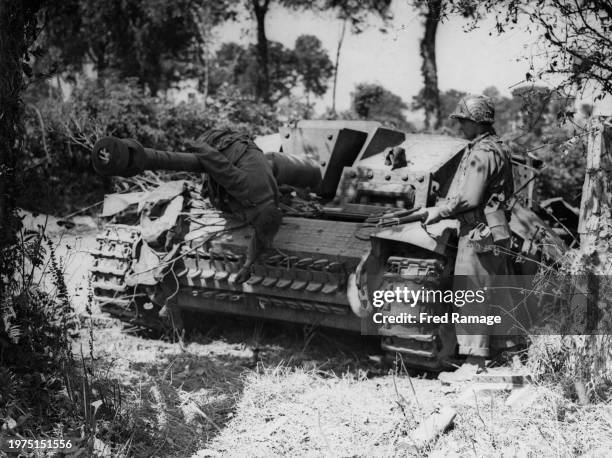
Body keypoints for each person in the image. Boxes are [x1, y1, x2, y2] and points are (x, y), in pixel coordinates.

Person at [420, 94, 518, 382]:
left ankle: (475, 364)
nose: (460, 126)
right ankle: (508, 355)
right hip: (494, 229)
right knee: (493, 291)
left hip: (476, 230)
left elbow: (470, 197)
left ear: (476, 121)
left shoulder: (481, 152)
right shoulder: (497, 147)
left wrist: (439, 211)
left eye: (463, 120)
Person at [186, 128, 283, 284]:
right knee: (214, 188)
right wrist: (193, 144)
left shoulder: (270, 205)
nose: (247, 220)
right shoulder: (244, 186)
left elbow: (261, 234)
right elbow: (216, 162)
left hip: (241, 151)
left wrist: (246, 267)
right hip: (217, 143)